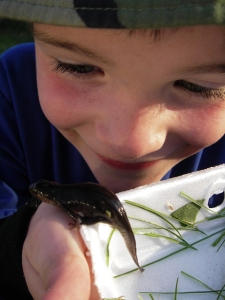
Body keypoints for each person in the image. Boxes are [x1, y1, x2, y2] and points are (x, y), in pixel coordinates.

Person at [1, 1, 225, 299]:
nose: (129, 143)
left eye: (198, 86)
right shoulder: (11, 96)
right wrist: (16, 248)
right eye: (77, 67)